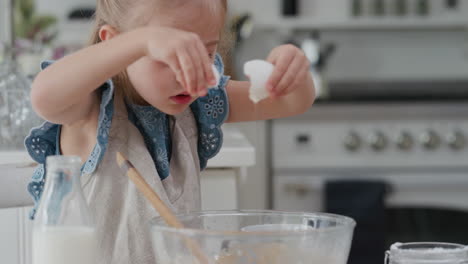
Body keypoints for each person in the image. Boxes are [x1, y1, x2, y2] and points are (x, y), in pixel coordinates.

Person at [24, 0, 315, 263]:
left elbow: (293, 101)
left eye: (206, 53)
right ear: (115, 43)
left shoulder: (202, 101)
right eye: (168, 57)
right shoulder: (91, 108)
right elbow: (44, 96)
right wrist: (142, 41)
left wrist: (289, 68)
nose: (188, 77)